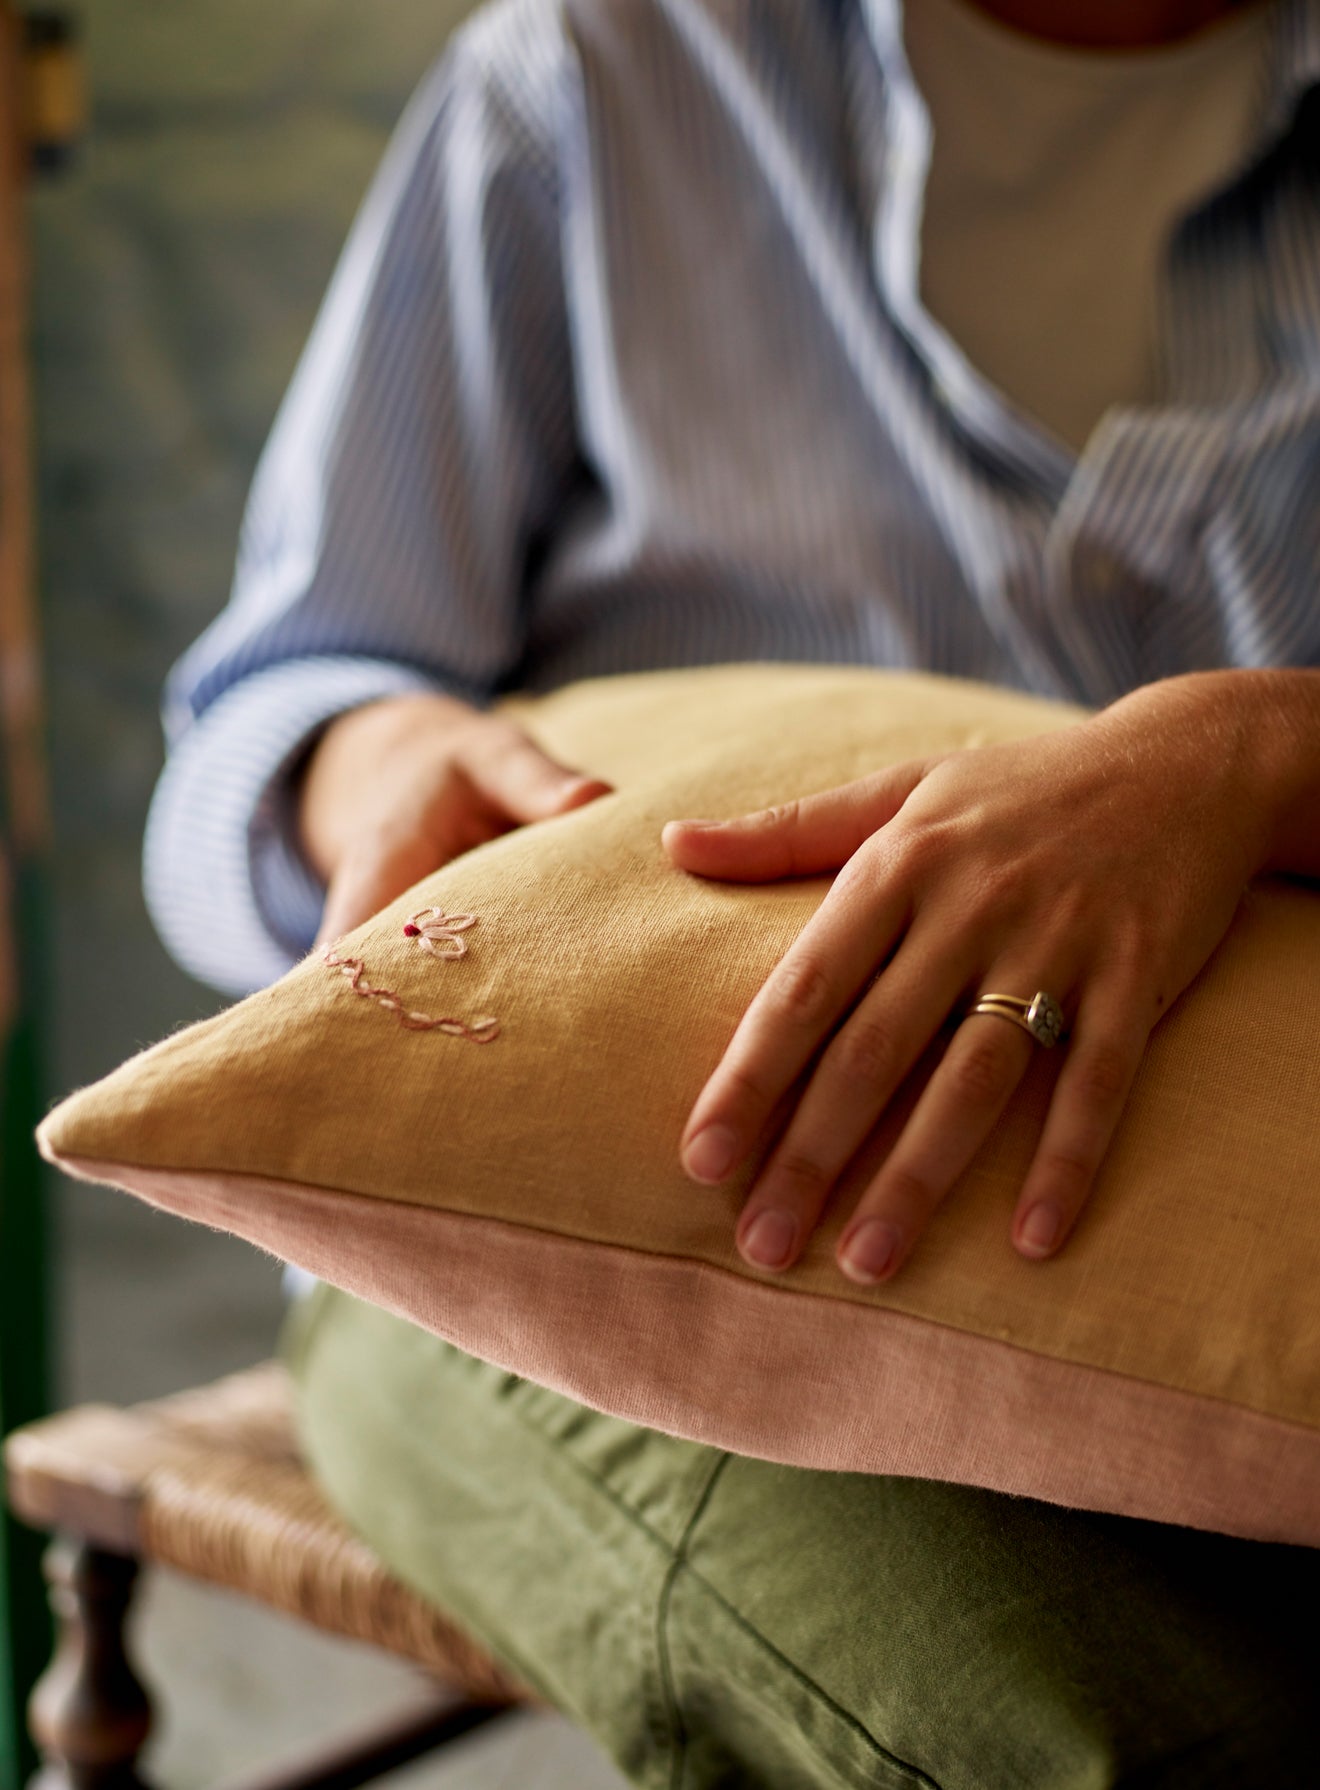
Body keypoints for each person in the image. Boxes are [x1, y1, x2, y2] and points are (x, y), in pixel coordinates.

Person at [144, 0, 1320, 1782]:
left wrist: (1256, 753)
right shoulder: (602, 75)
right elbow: (291, 681)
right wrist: (367, 763)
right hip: (616, 1214)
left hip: (1258, 1228)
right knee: (1132, 1730)